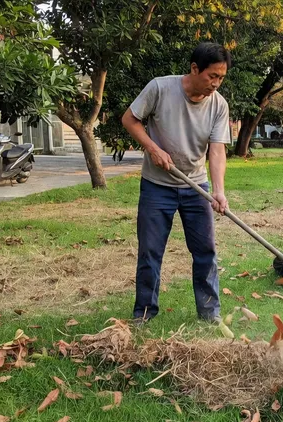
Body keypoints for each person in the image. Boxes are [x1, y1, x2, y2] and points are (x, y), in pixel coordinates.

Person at [121, 42, 231, 325]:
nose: (216, 84)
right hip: (157, 186)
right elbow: (130, 119)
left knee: (205, 251)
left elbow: (217, 150)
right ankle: (144, 313)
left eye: (221, 78)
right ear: (194, 69)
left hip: (196, 187)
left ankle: (209, 313)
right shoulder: (160, 88)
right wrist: (152, 148)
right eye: (212, 76)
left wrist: (218, 191)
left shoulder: (219, 105)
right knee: (150, 251)